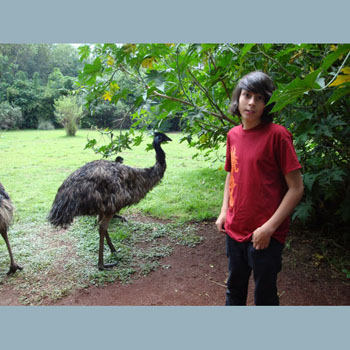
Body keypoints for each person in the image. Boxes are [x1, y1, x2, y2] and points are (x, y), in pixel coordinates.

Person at [215, 71, 304, 306]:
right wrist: (224, 211)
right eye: (247, 95)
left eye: (259, 98)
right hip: (235, 229)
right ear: (238, 98)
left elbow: (296, 188)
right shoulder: (233, 135)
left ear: (267, 104)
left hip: (266, 235)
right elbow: (231, 174)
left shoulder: (278, 136)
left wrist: (268, 228)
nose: (252, 103)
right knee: (234, 289)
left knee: (264, 295)